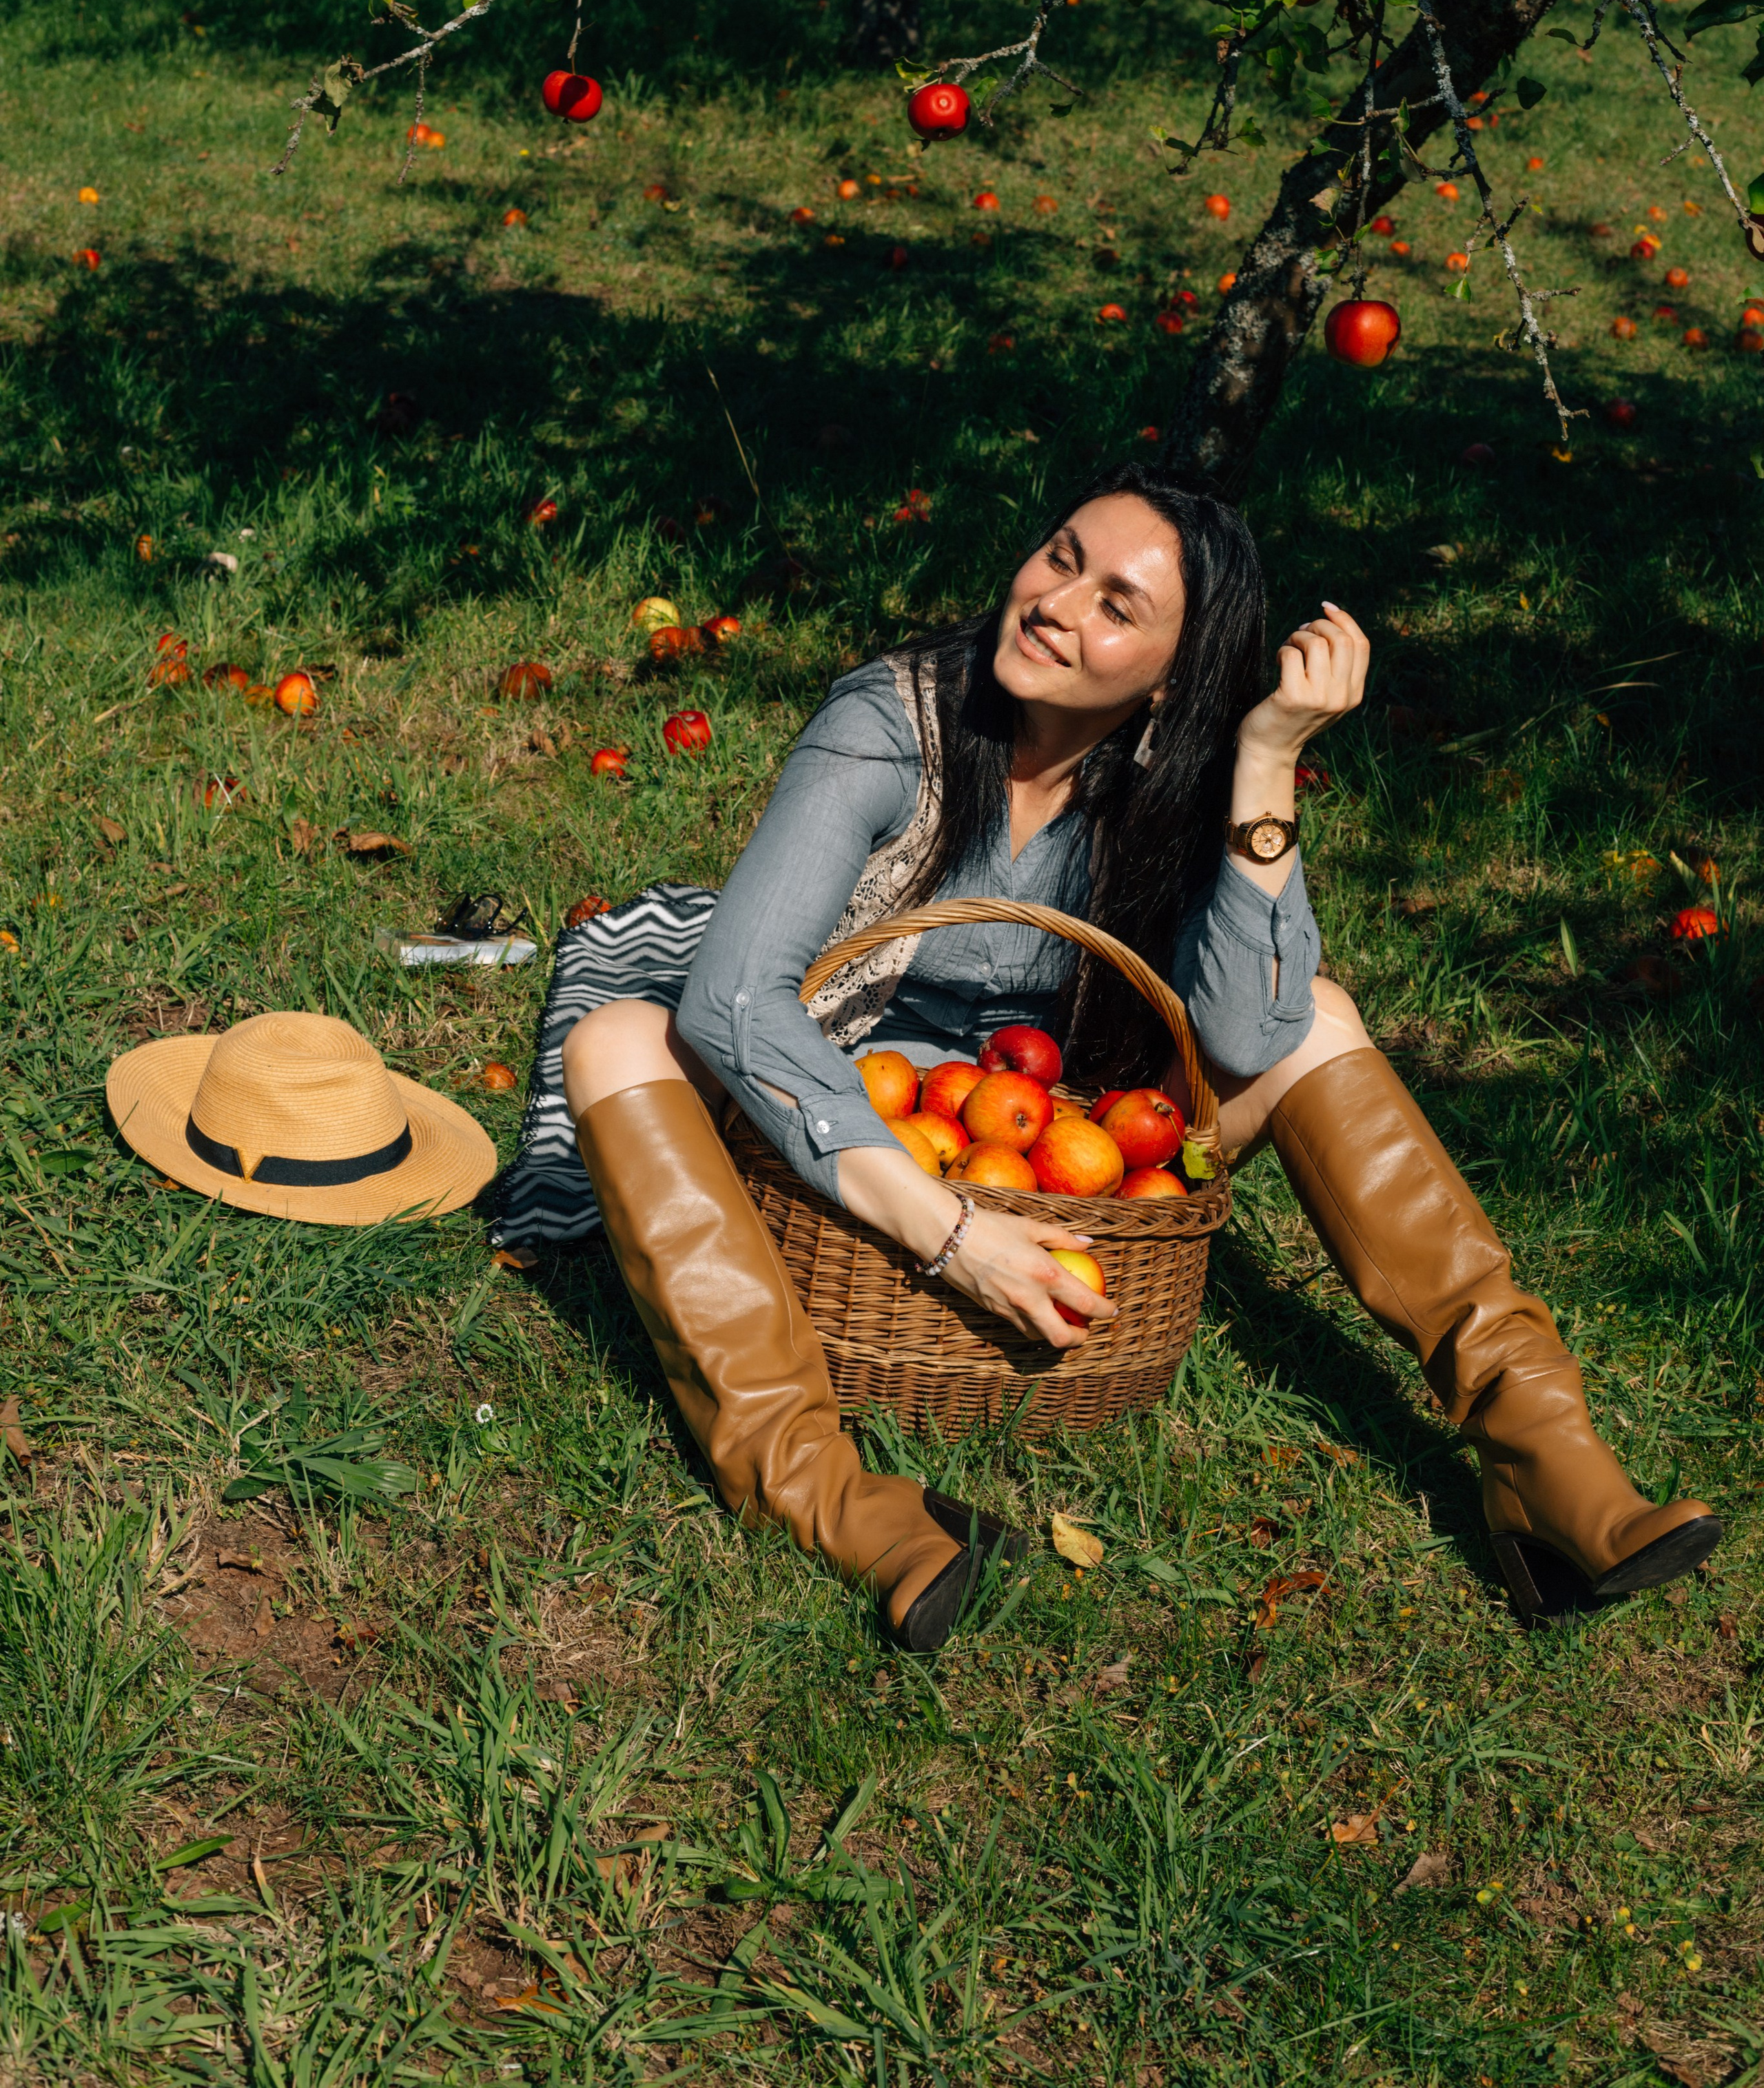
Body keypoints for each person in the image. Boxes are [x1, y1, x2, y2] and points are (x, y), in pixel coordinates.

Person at [563, 465, 1719, 1648]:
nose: (1059, 603)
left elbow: (1248, 1035)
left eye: (1117, 605)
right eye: (1062, 558)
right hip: (846, 1128)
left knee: (1316, 1013)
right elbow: (741, 997)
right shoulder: (891, 724)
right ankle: (828, 1492)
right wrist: (950, 1233)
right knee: (618, 1037)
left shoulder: (1179, 778)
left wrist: (1266, 761)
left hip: (1057, 1133)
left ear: (1172, 678)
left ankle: (1542, 1449)